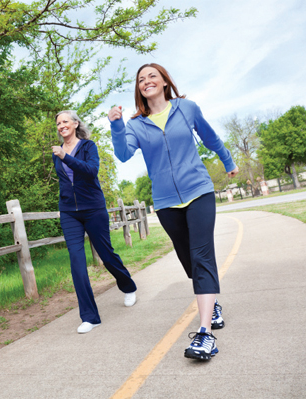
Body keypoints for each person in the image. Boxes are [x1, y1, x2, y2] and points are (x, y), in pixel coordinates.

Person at [107, 63, 238, 360]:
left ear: (165, 81)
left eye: (152, 76)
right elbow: (124, 154)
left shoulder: (186, 108)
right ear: (138, 89)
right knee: (187, 257)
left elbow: (210, 137)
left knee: (202, 254)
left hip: (199, 191)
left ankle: (205, 334)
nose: (146, 81)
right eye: (141, 79)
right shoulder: (136, 125)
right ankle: (212, 301)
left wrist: (228, 161)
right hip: (166, 201)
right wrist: (116, 125)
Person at [52, 110, 138, 334]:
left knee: (106, 254)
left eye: (65, 121)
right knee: (77, 262)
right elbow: (64, 183)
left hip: (93, 209)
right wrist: (62, 207)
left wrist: (65, 157)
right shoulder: (57, 153)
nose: (61, 126)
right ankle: (90, 317)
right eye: (58, 123)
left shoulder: (88, 146)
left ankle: (128, 286)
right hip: (70, 212)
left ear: (75, 123)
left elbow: (91, 172)